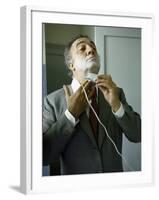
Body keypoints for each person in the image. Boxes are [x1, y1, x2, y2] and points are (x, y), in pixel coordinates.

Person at [43, 35, 141, 175]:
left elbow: (138, 135)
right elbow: (43, 156)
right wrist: (70, 115)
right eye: (82, 48)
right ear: (71, 65)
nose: (91, 50)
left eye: (93, 47)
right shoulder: (52, 101)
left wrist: (117, 105)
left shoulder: (116, 93)